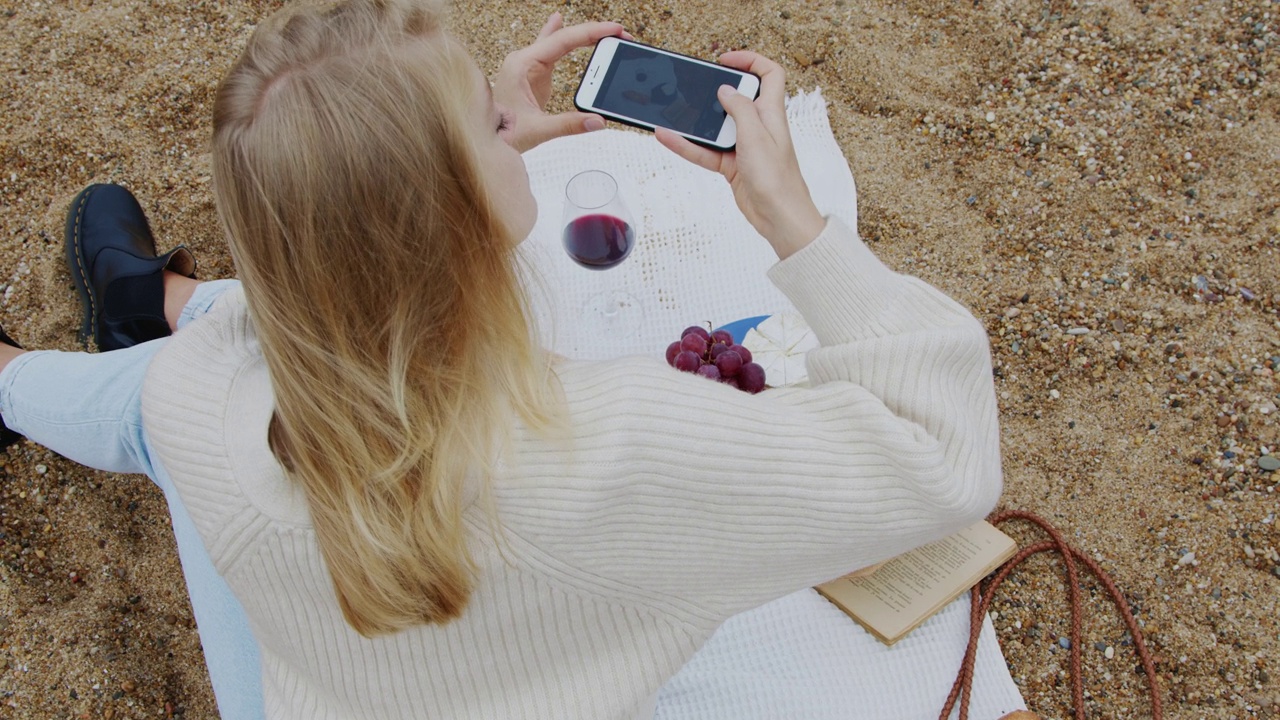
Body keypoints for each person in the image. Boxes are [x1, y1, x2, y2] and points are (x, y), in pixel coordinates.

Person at [0, 0, 1003, 718]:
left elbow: (299, 302)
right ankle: (134, 307)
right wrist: (792, 214)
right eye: (489, 123)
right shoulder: (613, 449)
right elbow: (940, 456)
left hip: (309, 682)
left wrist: (453, 166)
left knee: (163, 382)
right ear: (454, 214)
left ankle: (60, 355)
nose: (513, 129)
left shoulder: (200, 391)